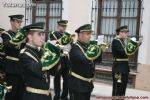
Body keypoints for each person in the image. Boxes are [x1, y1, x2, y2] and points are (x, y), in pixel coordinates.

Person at [19, 22, 53, 100]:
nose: (42, 38)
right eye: (39, 34)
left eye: (43, 34)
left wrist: (57, 56)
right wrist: (48, 54)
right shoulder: (24, 54)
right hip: (33, 96)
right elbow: (37, 70)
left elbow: (54, 72)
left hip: (47, 96)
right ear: (30, 37)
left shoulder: (42, 51)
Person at [68, 24, 102, 100]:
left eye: (90, 34)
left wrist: (100, 50)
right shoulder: (74, 47)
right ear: (80, 34)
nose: (90, 36)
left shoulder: (87, 47)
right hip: (77, 85)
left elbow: (98, 60)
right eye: (88, 34)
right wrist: (95, 50)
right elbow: (85, 60)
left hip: (87, 84)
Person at [111, 25, 142, 97]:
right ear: (120, 32)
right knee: (117, 90)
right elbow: (124, 53)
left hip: (124, 68)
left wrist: (136, 45)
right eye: (125, 32)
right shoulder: (116, 41)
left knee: (122, 89)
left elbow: (127, 52)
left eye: (127, 32)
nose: (127, 34)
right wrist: (134, 45)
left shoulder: (121, 41)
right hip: (118, 68)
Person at [1, 14, 24, 100]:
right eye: (18, 22)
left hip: (21, 67)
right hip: (11, 67)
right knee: (11, 94)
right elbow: (8, 45)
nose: (20, 24)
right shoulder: (6, 34)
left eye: (20, 22)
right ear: (11, 22)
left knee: (21, 93)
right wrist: (20, 37)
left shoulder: (21, 35)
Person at [50, 20, 70, 100]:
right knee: (57, 78)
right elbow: (56, 45)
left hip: (66, 59)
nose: (63, 28)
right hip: (58, 59)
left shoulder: (67, 35)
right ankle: (57, 96)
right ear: (58, 26)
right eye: (62, 26)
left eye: (65, 26)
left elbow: (69, 46)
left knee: (67, 79)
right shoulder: (54, 34)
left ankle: (64, 96)